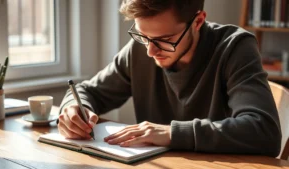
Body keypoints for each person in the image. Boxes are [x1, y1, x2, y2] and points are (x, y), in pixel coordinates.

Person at [58, 0, 281, 157]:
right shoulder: (141, 48)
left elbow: (263, 131)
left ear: (198, 21)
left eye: (166, 40)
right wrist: (73, 109)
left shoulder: (235, 47)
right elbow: (88, 91)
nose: (150, 52)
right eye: (143, 36)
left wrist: (172, 133)